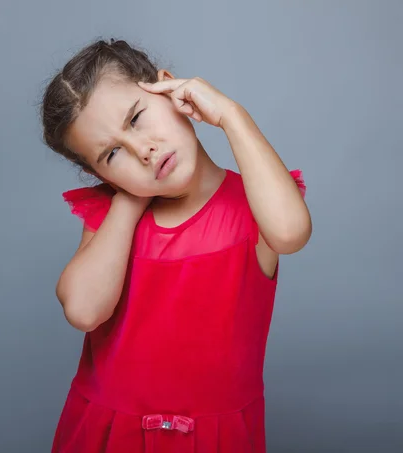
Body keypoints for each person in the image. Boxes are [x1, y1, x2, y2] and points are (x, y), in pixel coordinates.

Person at [40, 38, 311, 453]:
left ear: (170, 90)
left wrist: (230, 115)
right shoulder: (112, 220)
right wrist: (129, 198)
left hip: (217, 438)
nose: (143, 150)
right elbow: (83, 309)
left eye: (136, 119)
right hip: (107, 434)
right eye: (113, 154)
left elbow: (291, 232)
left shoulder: (254, 206)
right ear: (99, 175)